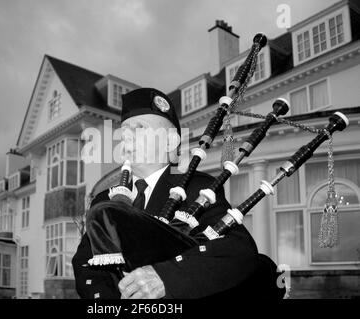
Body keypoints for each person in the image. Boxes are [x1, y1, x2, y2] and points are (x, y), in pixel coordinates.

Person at [72, 88, 281, 299]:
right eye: (124, 130)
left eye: (139, 128)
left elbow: (238, 250)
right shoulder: (104, 200)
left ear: (170, 142)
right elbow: (85, 265)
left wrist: (166, 278)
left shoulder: (198, 188)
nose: (126, 136)